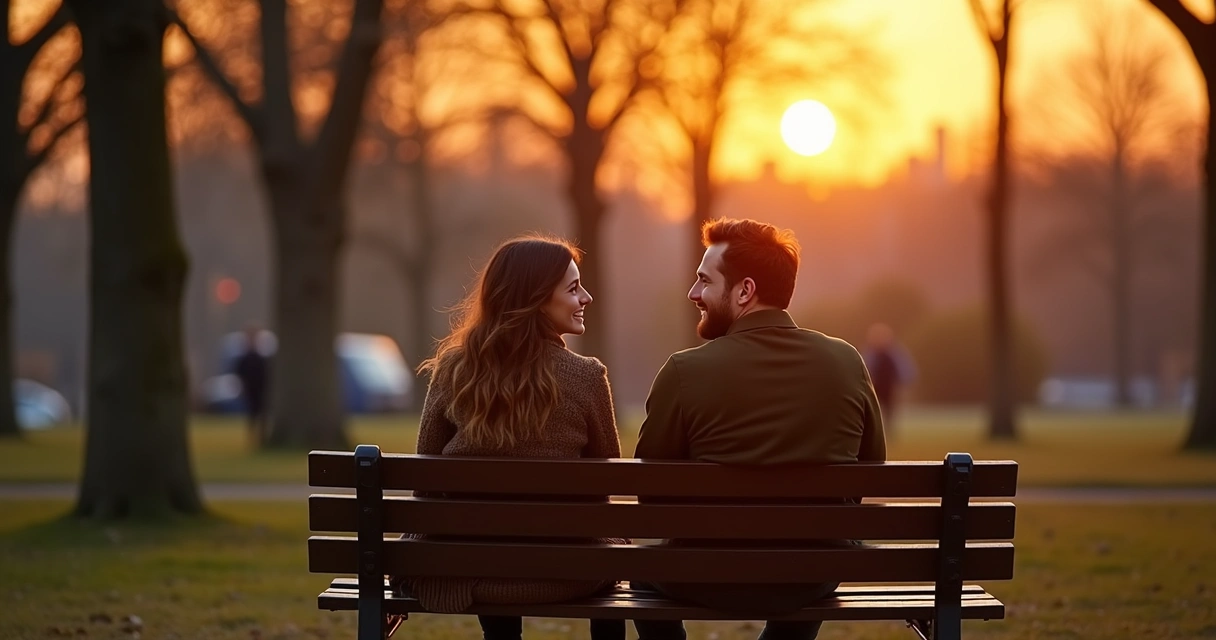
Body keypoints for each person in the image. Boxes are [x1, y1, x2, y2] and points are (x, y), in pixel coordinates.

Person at [632, 218, 886, 640]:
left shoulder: (684, 370)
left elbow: (651, 493)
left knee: (642, 575)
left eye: (704, 281)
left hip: (704, 575)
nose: (693, 293)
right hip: (810, 577)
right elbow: (870, 468)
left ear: (745, 291)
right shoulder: (846, 362)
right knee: (814, 558)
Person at [395, 235, 625, 640]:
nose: (586, 297)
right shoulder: (587, 377)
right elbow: (605, 484)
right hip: (566, 573)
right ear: (536, 298)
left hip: (470, 571)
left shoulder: (454, 370)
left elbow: (424, 478)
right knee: (609, 537)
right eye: (573, 288)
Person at [862, 322, 917, 431]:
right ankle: (874, 429)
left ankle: (887, 430)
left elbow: (904, 368)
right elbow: (865, 368)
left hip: (889, 386)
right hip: (873, 386)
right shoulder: (871, 353)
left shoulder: (894, 353)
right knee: (873, 409)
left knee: (889, 410)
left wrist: (905, 383)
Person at [232, 325, 269, 445]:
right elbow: (239, 374)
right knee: (252, 416)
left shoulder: (260, 358)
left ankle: (261, 438)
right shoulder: (245, 359)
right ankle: (253, 439)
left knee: (261, 415)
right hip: (250, 390)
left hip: (260, 390)